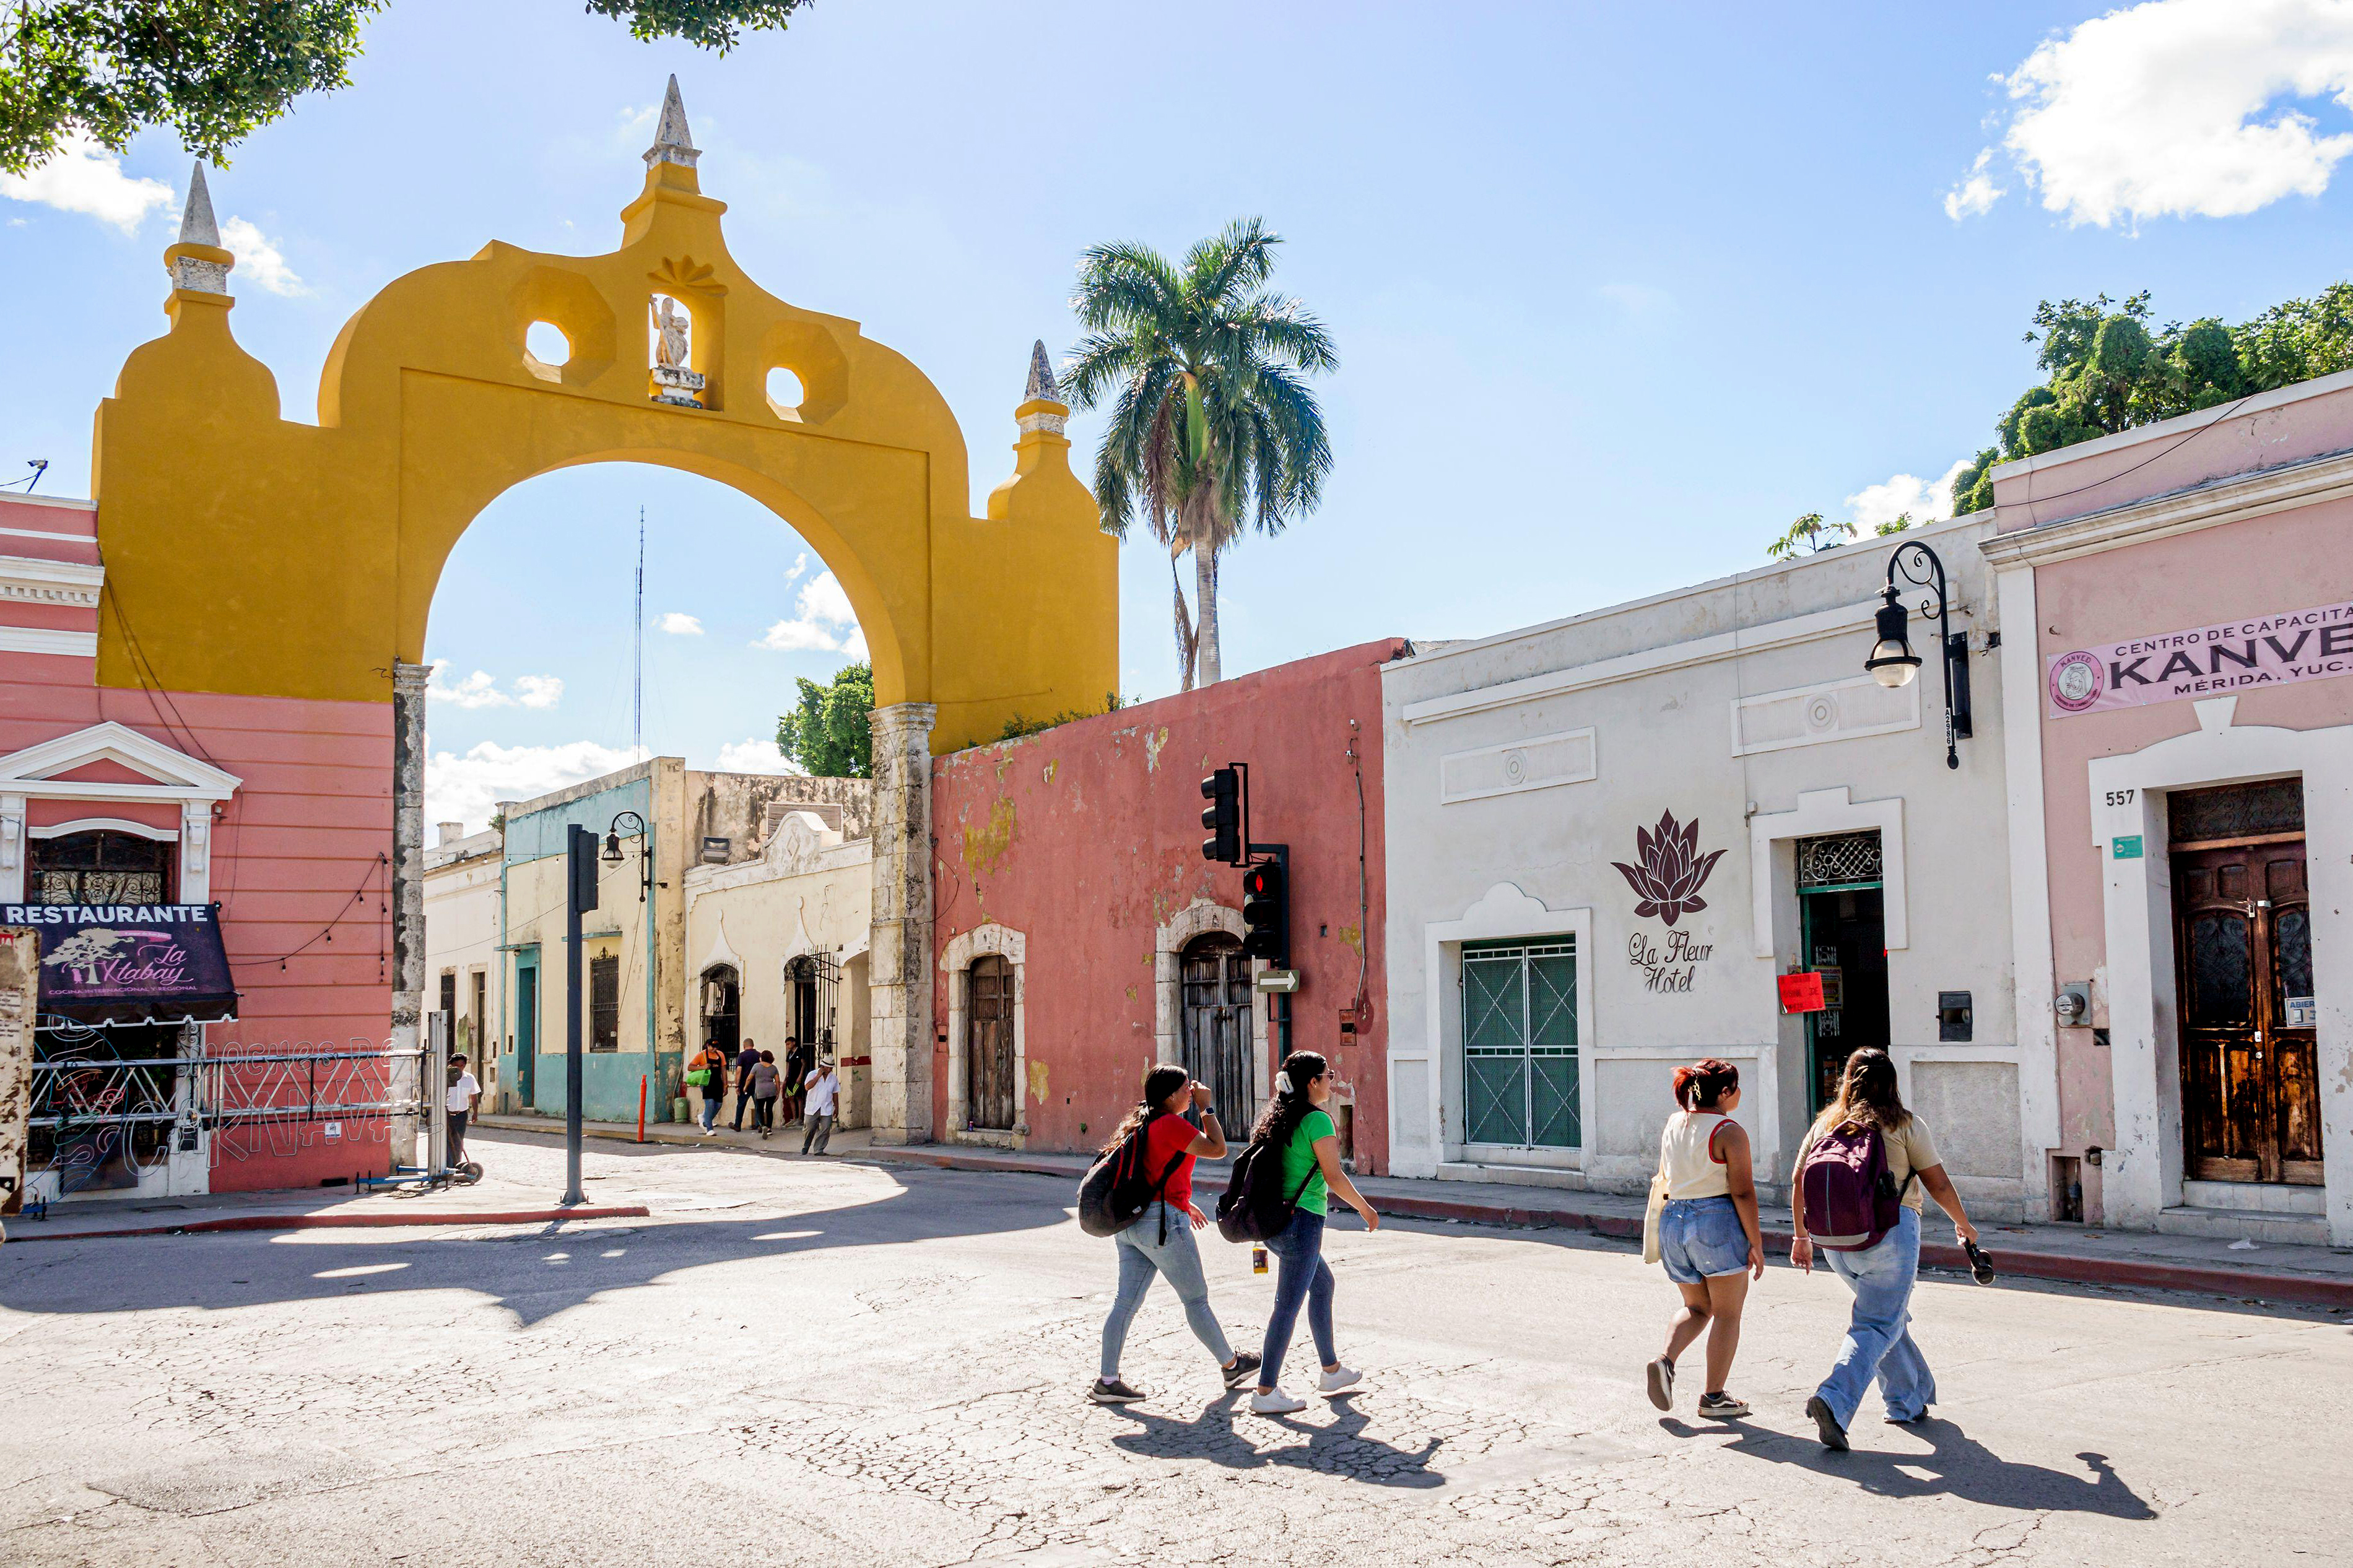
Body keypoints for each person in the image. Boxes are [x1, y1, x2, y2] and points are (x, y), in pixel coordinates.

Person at [1791, 1047, 1981, 1452]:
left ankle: (1906, 1399)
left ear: (1848, 1079)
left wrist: (1801, 1236)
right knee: (1877, 1324)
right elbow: (1939, 1184)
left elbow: (1798, 1180)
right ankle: (1834, 1399)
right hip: (1890, 1233)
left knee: (1889, 1317)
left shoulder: (1828, 1121)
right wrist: (1963, 1224)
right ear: (1892, 1082)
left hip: (1835, 1241)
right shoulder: (1904, 1123)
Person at [1090, 1063, 1261, 1405]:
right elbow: (1218, 1148)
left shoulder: (1144, 1123)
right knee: (1196, 1299)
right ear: (1170, 1096)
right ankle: (1231, 1365)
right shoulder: (1171, 1124)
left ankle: (1108, 1380)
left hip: (1132, 1224)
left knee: (1125, 1302)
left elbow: (1156, 1171)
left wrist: (1186, 1202)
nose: (1192, 1091)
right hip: (1163, 1225)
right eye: (1186, 1088)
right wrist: (1206, 1107)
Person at [1249, 1050, 1380, 1416]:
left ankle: (1331, 1371)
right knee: (1286, 1308)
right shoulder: (1319, 1121)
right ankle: (1266, 1389)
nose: (1332, 1080)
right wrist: (1365, 1208)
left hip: (1275, 1224)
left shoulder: (1280, 1117)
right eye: (1328, 1075)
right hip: (1301, 1224)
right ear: (1312, 1083)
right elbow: (1334, 1177)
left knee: (1322, 1286)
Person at [1643, 1058, 1765, 1422]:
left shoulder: (1674, 1123)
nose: (1740, 1093)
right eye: (1737, 1087)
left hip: (1673, 1222)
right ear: (1725, 1092)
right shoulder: (1729, 1131)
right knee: (1728, 1313)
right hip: (1715, 1222)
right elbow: (1743, 1192)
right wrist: (1756, 1243)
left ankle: (1665, 1360)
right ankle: (1713, 1397)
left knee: (1698, 1308)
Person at [445, 1053, 480, 1167]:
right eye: (456, 1065)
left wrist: (475, 1113)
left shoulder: (469, 1078)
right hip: (447, 1115)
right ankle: (447, 1166)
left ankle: (457, 1166)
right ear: (451, 1065)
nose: (459, 1068)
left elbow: (474, 1097)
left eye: (462, 1065)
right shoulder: (445, 1078)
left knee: (459, 1141)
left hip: (461, 1115)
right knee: (446, 1142)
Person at [801, 1056, 840, 1155]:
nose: (829, 1070)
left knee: (826, 1128)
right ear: (822, 1066)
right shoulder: (812, 1074)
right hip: (813, 1107)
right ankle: (806, 1145)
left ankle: (819, 1149)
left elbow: (835, 1094)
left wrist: (837, 1107)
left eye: (831, 1068)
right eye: (827, 1067)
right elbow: (807, 1087)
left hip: (826, 1107)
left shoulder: (833, 1078)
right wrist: (818, 1076)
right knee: (810, 1128)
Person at [692, 1040, 730, 1134]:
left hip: (718, 1083)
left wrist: (726, 1085)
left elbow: (724, 1070)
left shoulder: (720, 1054)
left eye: (716, 1047)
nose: (714, 1049)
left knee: (718, 1105)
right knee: (710, 1104)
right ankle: (709, 1129)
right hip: (706, 1083)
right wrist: (702, 1067)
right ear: (707, 1046)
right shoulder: (702, 1055)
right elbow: (691, 1067)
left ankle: (705, 1121)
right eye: (712, 1047)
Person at [748, 1049, 782, 1138]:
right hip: (771, 1090)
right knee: (769, 1110)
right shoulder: (774, 1068)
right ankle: (769, 1128)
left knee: (759, 1109)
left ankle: (763, 1126)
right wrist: (778, 1092)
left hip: (760, 1090)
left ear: (762, 1058)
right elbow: (778, 1081)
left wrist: (745, 1087)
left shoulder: (756, 1066)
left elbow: (749, 1078)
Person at [731, 1037, 761, 1132]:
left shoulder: (742, 1055)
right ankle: (760, 1125)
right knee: (758, 1105)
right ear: (753, 1045)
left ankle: (737, 1125)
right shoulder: (759, 1055)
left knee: (741, 1105)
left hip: (745, 1085)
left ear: (744, 1046)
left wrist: (737, 1085)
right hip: (757, 1084)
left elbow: (739, 1070)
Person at [782, 1036, 809, 1126]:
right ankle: (794, 1118)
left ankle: (800, 1118)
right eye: (786, 1045)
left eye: (789, 1044)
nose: (788, 1046)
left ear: (794, 1043)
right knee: (791, 1097)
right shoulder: (790, 1054)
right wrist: (786, 1078)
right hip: (790, 1079)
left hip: (797, 1079)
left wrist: (800, 1076)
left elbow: (803, 1064)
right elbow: (788, 1066)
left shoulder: (800, 1051)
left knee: (798, 1097)